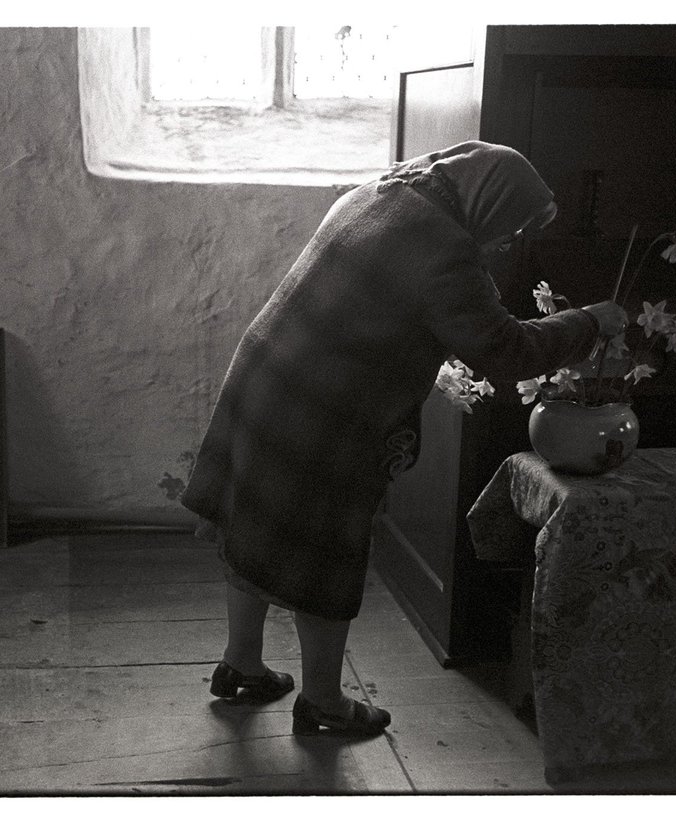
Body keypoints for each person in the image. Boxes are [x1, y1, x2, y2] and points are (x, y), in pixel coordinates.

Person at [180, 141, 627, 737]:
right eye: (511, 226)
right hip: (322, 412)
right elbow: (505, 350)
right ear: (490, 201)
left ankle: (241, 665)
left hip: (265, 380)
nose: (504, 242)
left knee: (253, 524)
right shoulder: (445, 252)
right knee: (325, 555)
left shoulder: (377, 194)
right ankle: (324, 704)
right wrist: (592, 321)